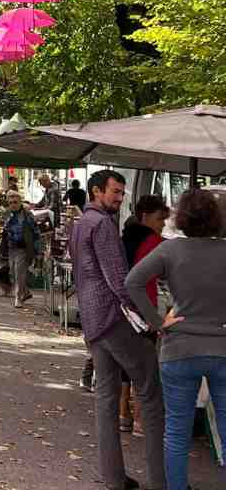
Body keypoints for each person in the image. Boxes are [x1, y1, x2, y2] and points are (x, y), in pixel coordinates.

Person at [69, 169, 165, 490]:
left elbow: (83, 275)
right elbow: (120, 282)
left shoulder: (80, 224)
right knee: (151, 392)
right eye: (115, 192)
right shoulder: (103, 225)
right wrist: (150, 319)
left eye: (122, 193)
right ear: (96, 192)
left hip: (93, 321)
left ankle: (112, 476)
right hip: (112, 320)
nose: (120, 198)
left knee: (106, 399)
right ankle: (160, 480)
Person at [126, 188, 226, 490]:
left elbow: (132, 282)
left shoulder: (171, 250)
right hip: (222, 347)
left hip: (179, 347)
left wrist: (157, 323)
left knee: (177, 433)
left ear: (181, 218)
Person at [119, 196, 169, 435]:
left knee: (125, 365)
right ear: (145, 216)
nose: (162, 224)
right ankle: (140, 419)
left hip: (122, 308)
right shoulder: (153, 241)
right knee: (145, 367)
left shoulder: (124, 236)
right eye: (160, 219)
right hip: (143, 308)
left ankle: (123, 414)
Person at [0, 190, 41, 308]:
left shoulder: (27, 215)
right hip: (12, 248)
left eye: (15, 202)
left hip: (24, 248)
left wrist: (38, 251)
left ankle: (18, 297)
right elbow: (5, 230)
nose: (13, 204)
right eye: (11, 202)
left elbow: (36, 232)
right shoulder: (8, 214)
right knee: (12, 272)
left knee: (19, 273)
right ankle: (26, 292)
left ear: (20, 202)